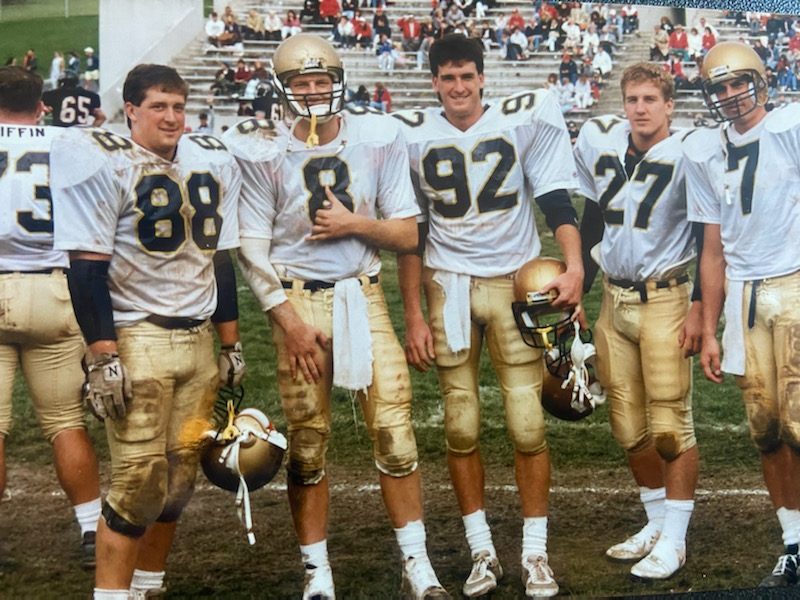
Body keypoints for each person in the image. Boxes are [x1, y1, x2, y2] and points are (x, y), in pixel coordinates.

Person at [223, 34, 449, 600]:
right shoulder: (264, 151)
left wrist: (355, 225)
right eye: (302, 83)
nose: (315, 92)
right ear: (283, 89)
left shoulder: (377, 139)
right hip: (297, 301)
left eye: (322, 81)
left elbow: (407, 233)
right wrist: (288, 322)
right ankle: (316, 573)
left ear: (338, 82)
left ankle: (417, 565)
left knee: (396, 434)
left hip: (363, 295)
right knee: (306, 442)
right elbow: (250, 249)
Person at [394, 34, 583, 599]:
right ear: (433, 82)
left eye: (466, 76)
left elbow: (554, 199)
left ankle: (534, 551)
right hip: (447, 287)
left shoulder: (521, 120)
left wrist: (573, 265)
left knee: (527, 423)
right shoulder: (411, 134)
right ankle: (481, 550)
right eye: (446, 78)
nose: (457, 87)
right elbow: (410, 232)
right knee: (460, 424)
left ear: (483, 78)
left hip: (512, 283)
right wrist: (412, 316)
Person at [50, 64, 245, 599]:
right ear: (131, 110)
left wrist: (231, 343)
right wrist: (103, 355)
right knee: (138, 482)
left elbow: (219, 262)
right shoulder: (107, 164)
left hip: (199, 340)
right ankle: (111, 595)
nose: (172, 117)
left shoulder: (207, 161)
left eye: (179, 106)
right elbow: (86, 267)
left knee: (180, 481)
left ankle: (148, 585)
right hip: (140, 338)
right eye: (159, 106)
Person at [575, 63, 702, 581]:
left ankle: (676, 539)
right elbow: (592, 216)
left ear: (670, 105)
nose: (641, 108)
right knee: (628, 426)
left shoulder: (691, 152)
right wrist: (576, 287)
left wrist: (703, 308)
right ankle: (655, 523)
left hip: (666, 297)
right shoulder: (604, 146)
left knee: (671, 425)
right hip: (613, 298)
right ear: (622, 104)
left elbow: (710, 231)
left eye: (651, 99)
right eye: (633, 99)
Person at [684, 41, 800, 589]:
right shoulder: (704, 151)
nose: (731, 95)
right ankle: (793, 540)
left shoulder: (789, 127)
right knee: (766, 427)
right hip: (745, 298)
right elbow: (713, 248)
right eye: (721, 87)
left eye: (740, 83)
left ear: (761, 81)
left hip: (795, 282)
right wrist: (708, 327)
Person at [0, 65, 102, 571]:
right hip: (52, 285)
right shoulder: (70, 141)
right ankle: (90, 527)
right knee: (65, 421)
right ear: (41, 102)